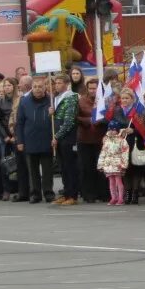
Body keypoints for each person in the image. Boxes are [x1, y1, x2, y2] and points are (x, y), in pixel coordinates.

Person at [15, 76, 54, 203]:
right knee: (33, 170)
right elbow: (19, 123)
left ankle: (48, 192)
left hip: (47, 139)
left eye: (40, 87)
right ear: (31, 88)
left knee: (48, 169)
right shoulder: (24, 102)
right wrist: (19, 141)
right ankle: (35, 194)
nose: (38, 89)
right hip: (29, 140)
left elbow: (57, 121)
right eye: (35, 87)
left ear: (45, 88)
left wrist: (52, 113)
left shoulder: (52, 101)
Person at [77, 77, 107, 203]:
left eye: (95, 88)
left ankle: (104, 193)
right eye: (90, 88)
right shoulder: (81, 101)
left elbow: (109, 116)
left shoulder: (105, 100)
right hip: (85, 138)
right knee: (87, 168)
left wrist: (101, 120)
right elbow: (75, 117)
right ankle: (89, 194)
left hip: (101, 138)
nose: (93, 90)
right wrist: (88, 120)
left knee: (101, 167)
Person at [51, 73, 80, 206]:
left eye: (59, 83)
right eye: (56, 83)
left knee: (70, 167)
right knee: (62, 167)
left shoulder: (71, 98)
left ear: (67, 84)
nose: (57, 85)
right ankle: (66, 192)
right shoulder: (56, 98)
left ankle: (73, 195)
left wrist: (57, 136)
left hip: (68, 137)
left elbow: (69, 121)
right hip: (59, 137)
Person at [98, 120, 130, 205]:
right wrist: (100, 164)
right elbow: (103, 152)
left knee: (118, 181)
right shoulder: (106, 140)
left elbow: (125, 153)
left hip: (118, 163)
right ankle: (113, 197)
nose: (111, 131)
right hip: (108, 164)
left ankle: (120, 198)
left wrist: (124, 164)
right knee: (111, 181)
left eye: (114, 129)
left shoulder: (122, 140)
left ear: (117, 130)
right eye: (110, 129)